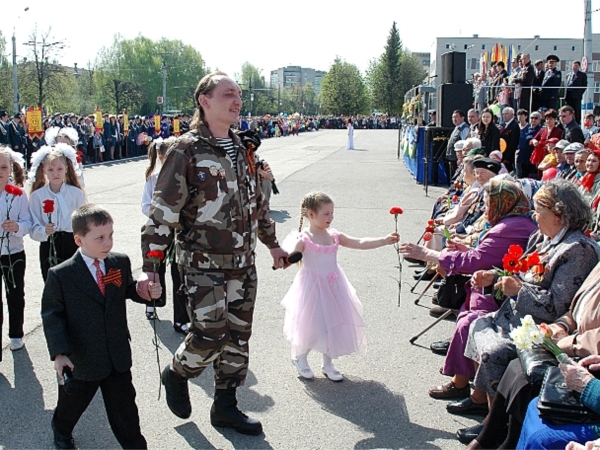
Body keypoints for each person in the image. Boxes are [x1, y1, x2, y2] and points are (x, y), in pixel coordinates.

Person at [138, 72, 287, 435]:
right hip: (202, 263)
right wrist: (150, 269)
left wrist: (272, 244)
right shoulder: (184, 150)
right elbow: (162, 215)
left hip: (243, 263)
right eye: (228, 95)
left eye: (238, 95)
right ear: (205, 101)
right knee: (210, 335)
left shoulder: (243, 148)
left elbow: (256, 204)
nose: (237, 101)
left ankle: (226, 407)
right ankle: (177, 372)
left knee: (237, 336)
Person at [457, 179, 600, 443]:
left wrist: (519, 289)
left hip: (539, 325)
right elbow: (520, 274)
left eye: (539, 211)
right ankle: (487, 411)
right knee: (476, 324)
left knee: (495, 350)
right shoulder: (541, 237)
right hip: (516, 315)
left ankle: (495, 423)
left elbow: (559, 304)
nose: (534, 216)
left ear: (559, 214)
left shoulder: (578, 250)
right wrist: (495, 277)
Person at [400, 179, 536, 400]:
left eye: (487, 202)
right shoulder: (514, 220)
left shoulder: (510, 227)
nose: (484, 208)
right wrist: (467, 249)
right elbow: (485, 254)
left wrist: (427, 254)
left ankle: (469, 389)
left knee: (469, 321)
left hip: (501, 295)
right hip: (493, 287)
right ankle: (466, 384)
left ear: (503, 202)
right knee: (467, 315)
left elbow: (477, 260)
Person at [41, 204, 160, 450]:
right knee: (72, 405)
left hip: (116, 354)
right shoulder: (61, 275)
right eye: (100, 238)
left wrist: (147, 293)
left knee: (126, 411)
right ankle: (61, 429)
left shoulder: (118, 263)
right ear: (78, 240)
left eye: (111, 235)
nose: (108, 243)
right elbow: (52, 315)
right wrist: (59, 353)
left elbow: (126, 289)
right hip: (82, 358)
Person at [466, 260, 600, 450]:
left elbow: (557, 303)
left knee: (526, 378)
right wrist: (560, 326)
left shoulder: (578, 251)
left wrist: (566, 342)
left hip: (583, 352)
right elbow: (573, 310)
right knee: (516, 367)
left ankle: (503, 440)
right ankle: (488, 437)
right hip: (569, 339)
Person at [281, 192, 399, 381]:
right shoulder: (305, 238)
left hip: (334, 286)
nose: (331, 217)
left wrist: (384, 240)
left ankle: (328, 364)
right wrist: (292, 255)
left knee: (333, 324)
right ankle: (300, 357)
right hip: (312, 288)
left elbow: (359, 242)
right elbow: (295, 251)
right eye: (326, 214)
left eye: (332, 213)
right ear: (311, 214)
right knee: (312, 323)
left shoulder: (334, 235)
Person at [140, 136, 188, 333]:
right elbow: (145, 205)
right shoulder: (153, 178)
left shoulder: (184, 177)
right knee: (154, 266)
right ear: (159, 156)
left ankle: (181, 318)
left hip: (178, 230)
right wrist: (160, 212)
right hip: (158, 228)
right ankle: (152, 302)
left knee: (179, 272)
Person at [28, 144, 86, 281]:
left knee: (73, 281)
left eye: (59, 169)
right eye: (51, 169)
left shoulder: (76, 193)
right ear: (44, 170)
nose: (55, 173)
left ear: (66, 169)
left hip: (72, 241)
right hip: (49, 242)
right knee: (51, 281)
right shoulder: (37, 196)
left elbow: (84, 221)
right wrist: (44, 230)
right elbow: (33, 224)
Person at [0, 146, 29, 357]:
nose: (0, 171)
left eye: (3, 167)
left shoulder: (18, 194)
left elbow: (28, 221)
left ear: (11, 168)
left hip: (13, 252)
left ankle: (16, 334)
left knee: (15, 293)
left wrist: (17, 227)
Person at [565, 60, 588, 125]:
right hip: (569, 95)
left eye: (576, 66)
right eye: (574, 65)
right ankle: (568, 121)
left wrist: (579, 93)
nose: (575, 67)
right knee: (568, 109)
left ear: (579, 67)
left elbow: (584, 85)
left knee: (577, 110)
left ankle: (577, 123)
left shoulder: (582, 75)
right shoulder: (568, 75)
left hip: (576, 96)